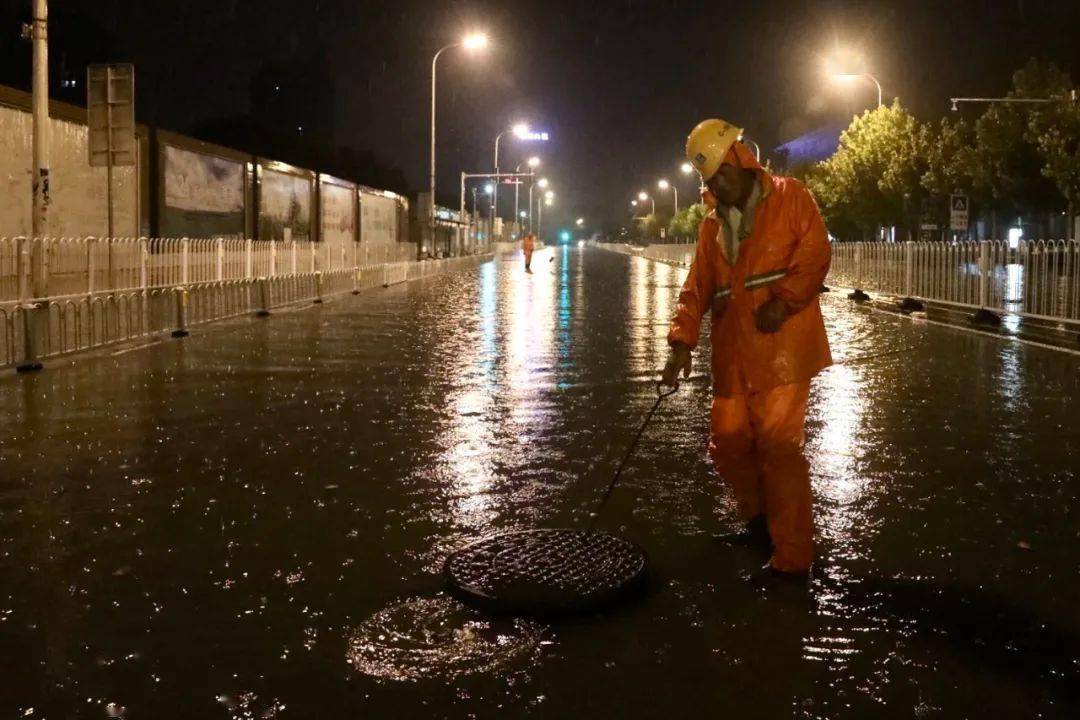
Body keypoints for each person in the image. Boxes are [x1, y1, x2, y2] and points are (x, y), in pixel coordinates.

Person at [661, 118, 832, 580]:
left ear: (743, 160)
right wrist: (681, 342)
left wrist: (785, 302)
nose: (720, 184)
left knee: (778, 448)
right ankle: (760, 523)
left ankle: (793, 559)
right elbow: (697, 287)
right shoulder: (710, 227)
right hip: (734, 353)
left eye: (724, 173)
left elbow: (815, 254)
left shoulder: (791, 197)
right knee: (729, 443)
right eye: (711, 178)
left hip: (783, 350)